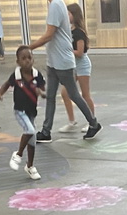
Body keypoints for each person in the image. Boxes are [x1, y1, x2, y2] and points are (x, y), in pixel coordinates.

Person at [29, 0, 101, 143]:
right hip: (54, 62)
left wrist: (29, 47)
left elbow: (49, 34)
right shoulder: (57, 4)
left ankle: (93, 123)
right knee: (51, 96)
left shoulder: (56, 5)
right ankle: (46, 131)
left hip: (62, 62)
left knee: (74, 94)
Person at [0, 45, 46, 181]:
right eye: (23, 58)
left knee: (32, 141)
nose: (27, 61)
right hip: (20, 111)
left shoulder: (37, 75)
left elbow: (43, 90)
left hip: (31, 111)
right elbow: (7, 84)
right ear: (18, 61)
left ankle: (30, 166)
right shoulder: (16, 76)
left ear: (33, 59)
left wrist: (41, 93)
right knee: (30, 130)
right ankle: (17, 154)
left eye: (29, 58)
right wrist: (0, 93)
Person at [59, 3, 94, 134]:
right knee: (64, 93)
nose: (66, 16)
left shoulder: (79, 32)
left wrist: (66, 51)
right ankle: (71, 121)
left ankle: (91, 121)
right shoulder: (69, 30)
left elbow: (79, 52)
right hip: (72, 65)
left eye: (68, 14)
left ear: (74, 15)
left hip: (82, 65)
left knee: (85, 94)